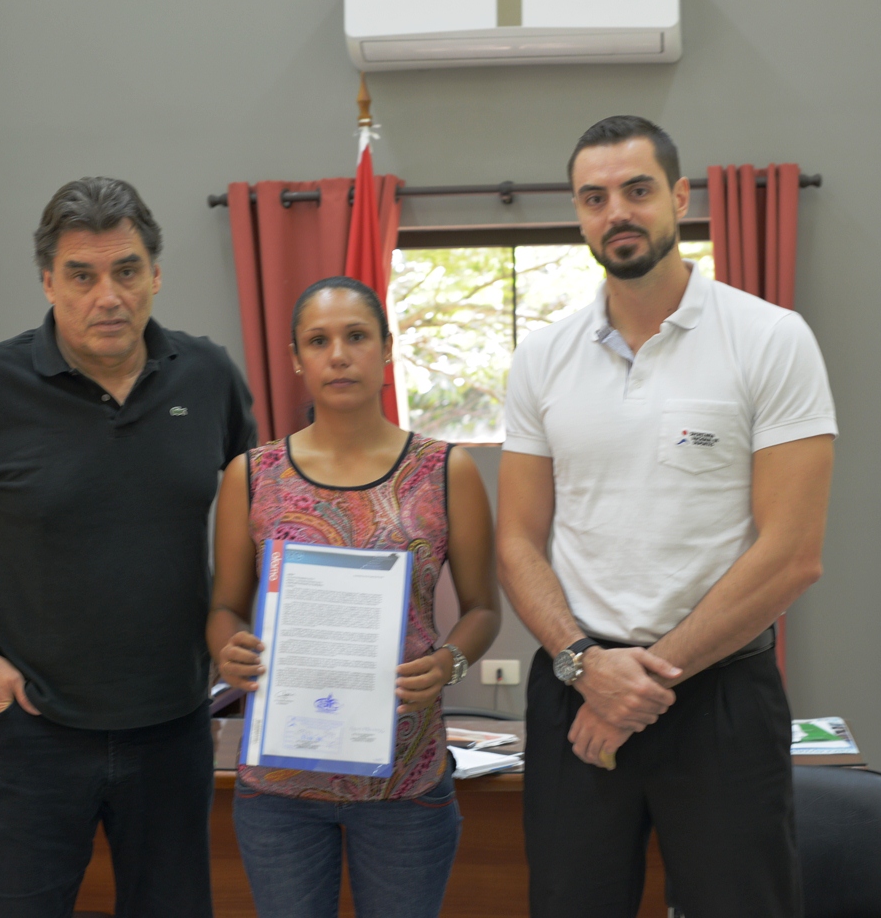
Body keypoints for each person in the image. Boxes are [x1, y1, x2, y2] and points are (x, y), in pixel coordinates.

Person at [0, 177, 257, 918]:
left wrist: (240, 625)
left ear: (156, 274)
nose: (108, 296)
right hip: (28, 734)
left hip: (173, 729)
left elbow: (259, 516)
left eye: (127, 270)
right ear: (48, 282)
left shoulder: (209, 378)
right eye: (82, 276)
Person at [496, 115, 837, 918]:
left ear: (680, 198)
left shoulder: (770, 339)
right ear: (578, 213)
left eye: (637, 189)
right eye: (594, 197)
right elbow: (516, 541)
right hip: (577, 687)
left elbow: (793, 553)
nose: (617, 211)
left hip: (719, 696)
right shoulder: (542, 358)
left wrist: (644, 684)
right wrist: (586, 666)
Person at [209, 276, 501, 918]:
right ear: (296, 358)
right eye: (318, 341)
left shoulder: (444, 471)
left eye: (357, 336)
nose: (338, 355)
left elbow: (484, 608)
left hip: (405, 778)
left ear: (387, 348)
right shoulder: (252, 475)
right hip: (280, 784)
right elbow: (224, 607)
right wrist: (228, 649)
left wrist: (449, 662)